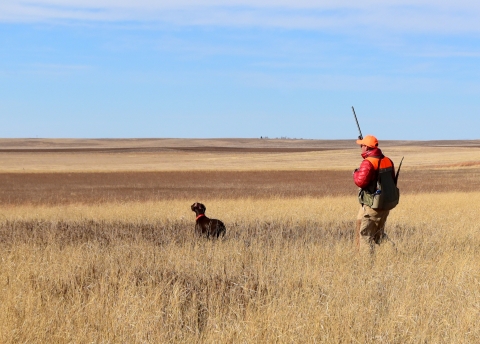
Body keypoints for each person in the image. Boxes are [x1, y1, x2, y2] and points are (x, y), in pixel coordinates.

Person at [353, 135, 397, 254]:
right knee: (378, 235)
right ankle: (395, 254)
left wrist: (356, 173)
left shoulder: (368, 162)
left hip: (373, 205)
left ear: (366, 147)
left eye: (362, 145)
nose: (360, 147)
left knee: (366, 235)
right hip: (385, 203)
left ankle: (366, 265)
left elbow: (360, 182)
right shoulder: (387, 160)